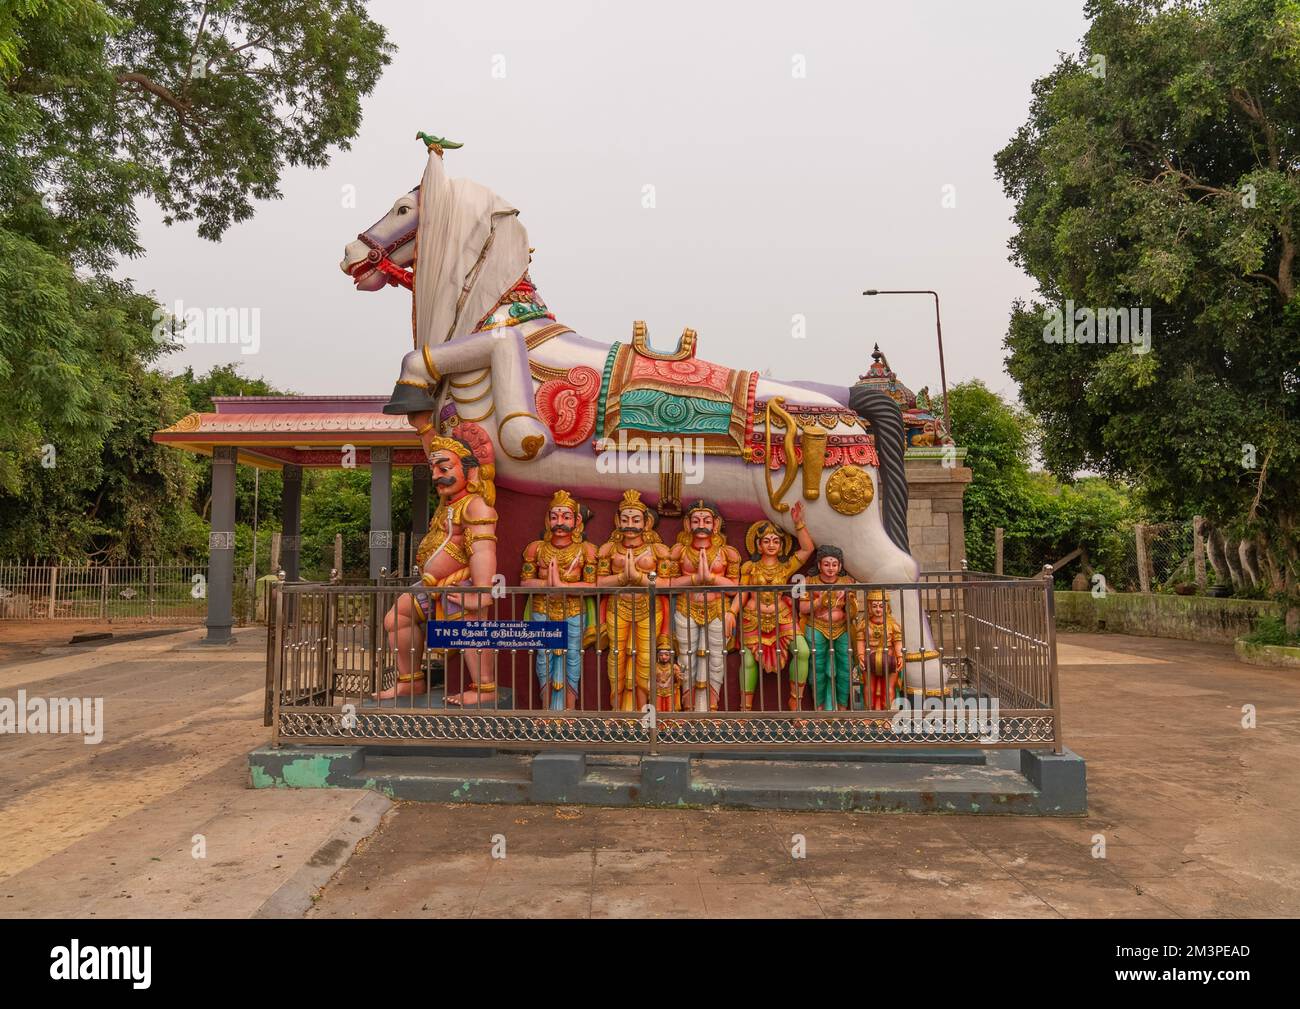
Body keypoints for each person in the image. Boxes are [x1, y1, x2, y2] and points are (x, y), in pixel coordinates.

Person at [731, 502, 815, 710]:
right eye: (766, 541)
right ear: (758, 545)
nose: (770, 544)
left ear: (781, 546)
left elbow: (807, 549)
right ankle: (745, 709)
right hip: (753, 619)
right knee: (748, 661)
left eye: (775, 541)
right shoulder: (749, 567)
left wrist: (798, 524)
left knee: (803, 651)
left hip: (782, 618)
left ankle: (795, 702)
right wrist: (731, 612)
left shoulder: (786, 566)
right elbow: (743, 593)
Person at [521, 490, 597, 710]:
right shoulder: (536, 549)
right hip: (542, 609)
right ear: (547, 520)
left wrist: (564, 587)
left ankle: (569, 711)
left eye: (566, 517)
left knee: (572, 659)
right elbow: (525, 582)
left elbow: (594, 586)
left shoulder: (587, 551)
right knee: (543, 659)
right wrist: (546, 585)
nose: (560, 522)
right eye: (554, 517)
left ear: (577, 520)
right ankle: (546, 711)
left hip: (573, 610)